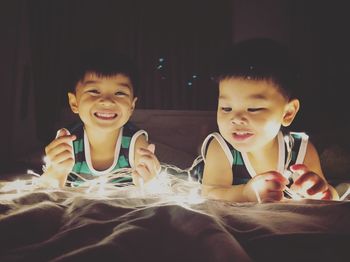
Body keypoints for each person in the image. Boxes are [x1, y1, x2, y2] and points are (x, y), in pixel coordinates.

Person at [197, 38, 339, 202]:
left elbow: (327, 192)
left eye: (254, 109)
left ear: (288, 113)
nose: (235, 119)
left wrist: (321, 192)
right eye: (226, 108)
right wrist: (244, 194)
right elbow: (210, 193)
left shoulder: (301, 149)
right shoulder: (222, 147)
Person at [40, 49, 160, 188]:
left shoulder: (134, 142)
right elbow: (48, 188)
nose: (107, 101)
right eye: (94, 91)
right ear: (74, 102)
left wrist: (150, 178)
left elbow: (151, 186)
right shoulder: (68, 140)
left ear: (131, 106)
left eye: (120, 93)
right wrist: (55, 173)